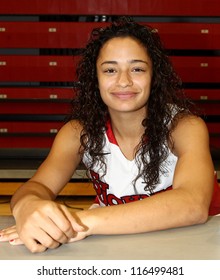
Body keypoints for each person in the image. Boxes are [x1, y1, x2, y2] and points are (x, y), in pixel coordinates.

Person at [0, 17, 218, 253]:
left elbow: (192, 205)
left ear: (154, 76)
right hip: (119, 241)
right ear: (96, 79)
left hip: (195, 242)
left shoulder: (184, 127)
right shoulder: (77, 133)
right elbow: (38, 186)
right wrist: (26, 206)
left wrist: (75, 222)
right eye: (110, 70)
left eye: (137, 69)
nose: (123, 81)